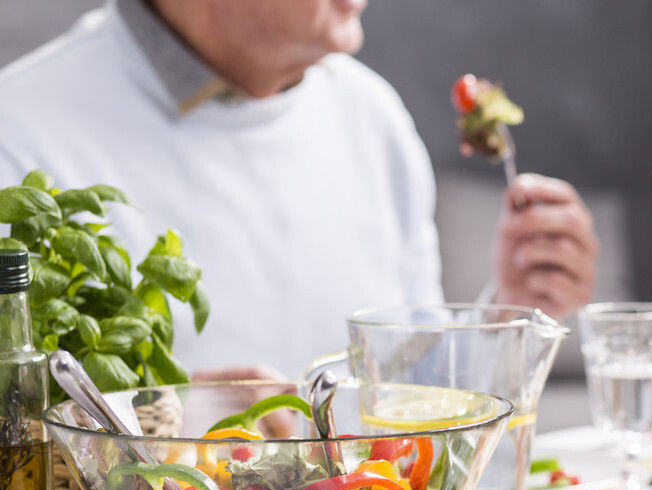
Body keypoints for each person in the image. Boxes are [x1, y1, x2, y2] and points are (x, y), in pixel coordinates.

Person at [0, 0, 597, 378]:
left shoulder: (371, 114)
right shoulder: (19, 133)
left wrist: (506, 313)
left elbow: (411, 392)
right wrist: (160, 428)